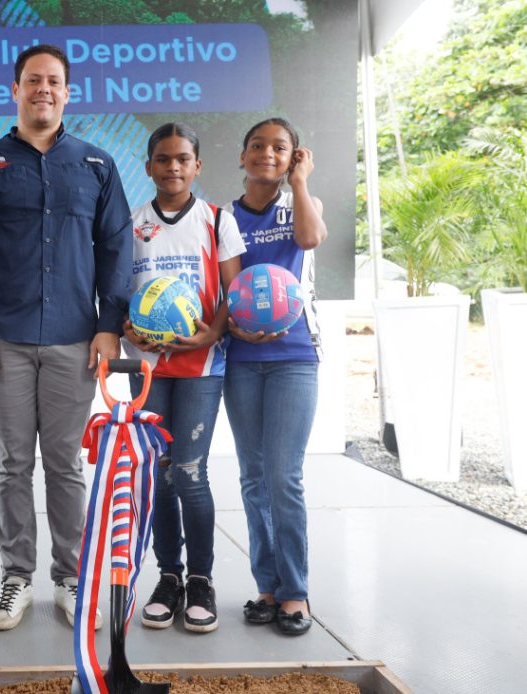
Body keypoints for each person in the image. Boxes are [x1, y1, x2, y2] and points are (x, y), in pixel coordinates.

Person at [0, 44, 132, 631]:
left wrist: (109, 327)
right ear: (16, 90)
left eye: (53, 81)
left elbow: (117, 251)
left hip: (76, 340)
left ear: (67, 93)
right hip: (2, 341)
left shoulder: (98, 166)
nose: (43, 90)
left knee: (65, 465)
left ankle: (73, 577)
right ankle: (16, 577)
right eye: (33, 81)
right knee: (10, 465)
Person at [124, 123, 244, 635]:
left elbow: (234, 295)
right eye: (163, 159)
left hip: (200, 367)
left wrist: (208, 334)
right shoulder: (132, 224)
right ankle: (167, 576)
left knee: (189, 475)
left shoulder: (217, 220)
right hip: (149, 369)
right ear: (148, 166)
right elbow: (117, 293)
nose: (173, 167)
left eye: (183, 159)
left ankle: (201, 579)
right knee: (157, 475)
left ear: (197, 166)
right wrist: (130, 330)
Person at [223, 118, 327, 636]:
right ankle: (266, 587)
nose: (267, 153)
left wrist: (302, 183)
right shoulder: (221, 217)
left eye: (280, 148)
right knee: (253, 476)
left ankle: (296, 591)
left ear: (293, 158)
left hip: (293, 357)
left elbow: (310, 239)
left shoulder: (299, 208)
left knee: (284, 478)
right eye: (258, 146)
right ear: (242, 157)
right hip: (240, 359)